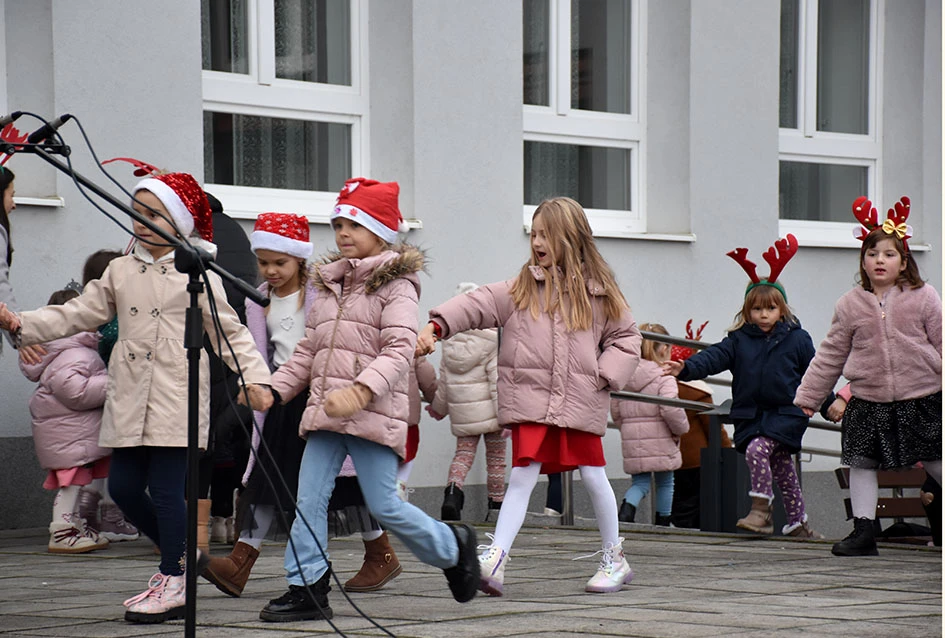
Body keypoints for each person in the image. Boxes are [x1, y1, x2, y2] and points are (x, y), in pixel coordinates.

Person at [0, 171, 273, 624]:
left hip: (175, 393)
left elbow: (230, 332)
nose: (142, 222)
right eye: (137, 212)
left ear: (180, 220)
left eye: (155, 214)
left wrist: (256, 379)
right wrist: (21, 323)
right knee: (125, 488)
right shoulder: (120, 270)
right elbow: (78, 312)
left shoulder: (197, 272)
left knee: (166, 491)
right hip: (128, 395)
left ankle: (174, 579)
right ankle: (185, 556)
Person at [258, 178, 480, 623]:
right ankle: (307, 586)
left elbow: (399, 350)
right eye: (338, 224)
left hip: (372, 414)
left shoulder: (397, 285)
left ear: (380, 231)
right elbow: (309, 349)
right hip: (325, 414)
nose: (343, 233)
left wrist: (361, 390)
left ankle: (452, 546)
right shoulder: (330, 283)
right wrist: (275, 388)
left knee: (384, 506)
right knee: (308, 500)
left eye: (355, 225)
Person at [417, 196, 642, 596]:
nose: (537, 242)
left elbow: (627, 338)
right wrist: (437, 326)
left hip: (580, 399)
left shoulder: (599, 293)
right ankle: (496, 559)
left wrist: (604, 375)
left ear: (570, 238)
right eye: (534, 234)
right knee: (522, 475)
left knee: (593, 475)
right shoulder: (521, 288)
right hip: (533, 402)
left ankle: (615, 557)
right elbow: (478, 303)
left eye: (546, 235)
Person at [794, 196, 941, 556]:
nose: (880, 260)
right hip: (868, 399)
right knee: (861, 463)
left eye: (889, 254)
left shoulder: (924, 297)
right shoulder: (850, 304)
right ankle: (864, 532)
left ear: (903, 261)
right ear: (863, 261)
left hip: (922, 396)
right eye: (872, 254)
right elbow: (830, 355)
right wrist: (809, 398)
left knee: (936, 460)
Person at [664, 234, 834, 539]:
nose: (763, 315)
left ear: (782, 309)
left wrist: (829, 404)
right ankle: (798, 524)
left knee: (758, 449)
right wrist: (686, 368)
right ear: (747, 311)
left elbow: (816, 374)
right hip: (752, 416)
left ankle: (760, 511)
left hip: (786, 414)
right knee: (782, 467)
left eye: (770, 309)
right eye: (757, 309)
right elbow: (714, 357)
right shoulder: (739, 340)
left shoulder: (797, 339)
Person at [19, 286, 111, 554]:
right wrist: (113, 383)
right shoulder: (73, 353)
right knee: (71, 483)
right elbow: (75, 392)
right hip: (71, 433)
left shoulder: (68, 350)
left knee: (77, 480)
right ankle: (61, 529)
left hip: (72, 432)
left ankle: (75, 525)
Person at [199, 192, 258, 549]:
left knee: (202, 439)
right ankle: (225, 516)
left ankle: (197, 527)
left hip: (201, 345)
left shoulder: (193, 237)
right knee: (232, 435)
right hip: (236, 346)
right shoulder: (236, 231)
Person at [74, 250, 140, 542]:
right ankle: (112, 517)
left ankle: (88, 513)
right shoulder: (117, 317)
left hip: (94, 391)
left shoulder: (88, 314)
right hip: (119, 390)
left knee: (98, 457)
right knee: (115, 457)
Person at [427, 281, 503, 521]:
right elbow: (497, 382)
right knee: (496, 461)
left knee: (462, 455)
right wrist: (506, 416)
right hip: (492, 416)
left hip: (463, 414)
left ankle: (452, 494)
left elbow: (444, 383)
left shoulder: (449, 344)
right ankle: (496, 507)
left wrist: (438, 409)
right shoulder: (491, 340)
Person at [612, 323, 689, 526]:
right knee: (666, 482)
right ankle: (663, 521)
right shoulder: (664, 377)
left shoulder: (625, 377)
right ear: (663, 348)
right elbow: (671, 409)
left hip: (632, 439)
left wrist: (626, 429)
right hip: (662, 439)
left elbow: (616, 411)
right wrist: (682, 429)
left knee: (640, 483)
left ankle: (625, 514)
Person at [667, 323, 734, 529]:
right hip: (698, 458)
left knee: (680, 497)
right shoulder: (699, 393)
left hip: (675, 456)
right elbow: (712, 426)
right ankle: (691, 530)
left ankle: (678, 526)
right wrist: (726, 450)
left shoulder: (668, 389)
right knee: (697, 500)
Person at [397, 354, 438, 500]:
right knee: (406, 455)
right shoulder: (412, 347)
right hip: (406, 419)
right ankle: (399, 487)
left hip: (376, 421)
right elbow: (428, 380)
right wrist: (437, 403)